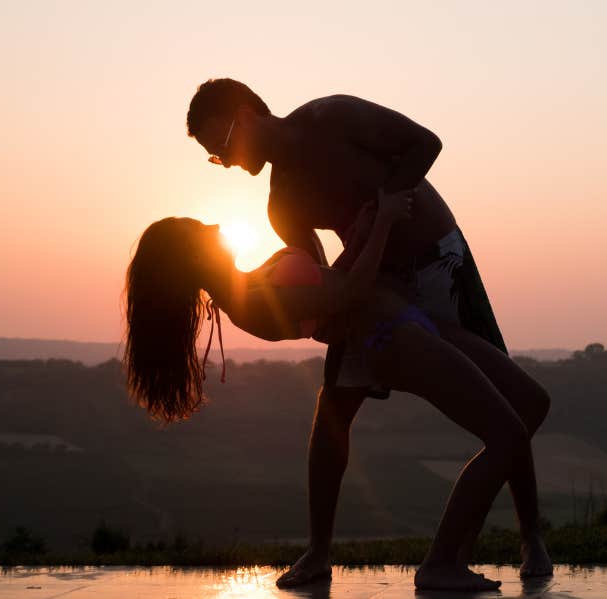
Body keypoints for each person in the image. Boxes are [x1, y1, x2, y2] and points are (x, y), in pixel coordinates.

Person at [184, 78, 552, 587]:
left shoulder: (331, 117)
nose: (226, 163)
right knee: (333, 406)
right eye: (215, 158)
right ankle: (318, 551)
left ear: (246, 114)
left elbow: (425, 143)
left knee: (507, 400)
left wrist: (384, 204)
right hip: (378, 293)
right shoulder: (280, 205)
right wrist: (364, 252)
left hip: (437, 264)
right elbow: (322, 288)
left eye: (221, 145)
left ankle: (530, 534)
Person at [125, 193, 535, 590]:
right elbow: (347, 295)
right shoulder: (249, 303)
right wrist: (386, 221)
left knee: (533, 401)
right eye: (204, 230)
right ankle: (442, 562)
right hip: (392, 338)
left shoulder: (250, 282)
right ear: (194, 259)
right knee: (508, 437)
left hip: (406, 318)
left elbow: (328, 283)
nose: (216, 225)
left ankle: (460, 547)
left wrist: (357, 239)